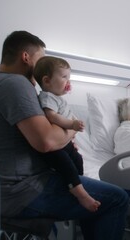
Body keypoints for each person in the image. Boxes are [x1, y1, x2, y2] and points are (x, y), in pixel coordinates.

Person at [0, 30, 128, 239]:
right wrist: (72, 128)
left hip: (1, 189)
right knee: (117, 198)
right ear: (26, 57)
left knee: (91, 192)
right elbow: (47, 141)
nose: (43, 65)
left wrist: (64, 136)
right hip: (20, 191)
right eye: (41, 59)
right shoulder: (15, 83)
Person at [33, 56, 100, 212]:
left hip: (65, 143)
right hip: (56, 148)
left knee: (77, 159)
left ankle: (79, 181)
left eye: (69, 78)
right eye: (64, 77)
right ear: (47, 80)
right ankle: (79, 193)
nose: (68, 82)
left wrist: (72, 136)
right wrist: (72, 125)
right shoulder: (47, 97)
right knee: (66, 164)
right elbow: (52, 117)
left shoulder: (58, 98)